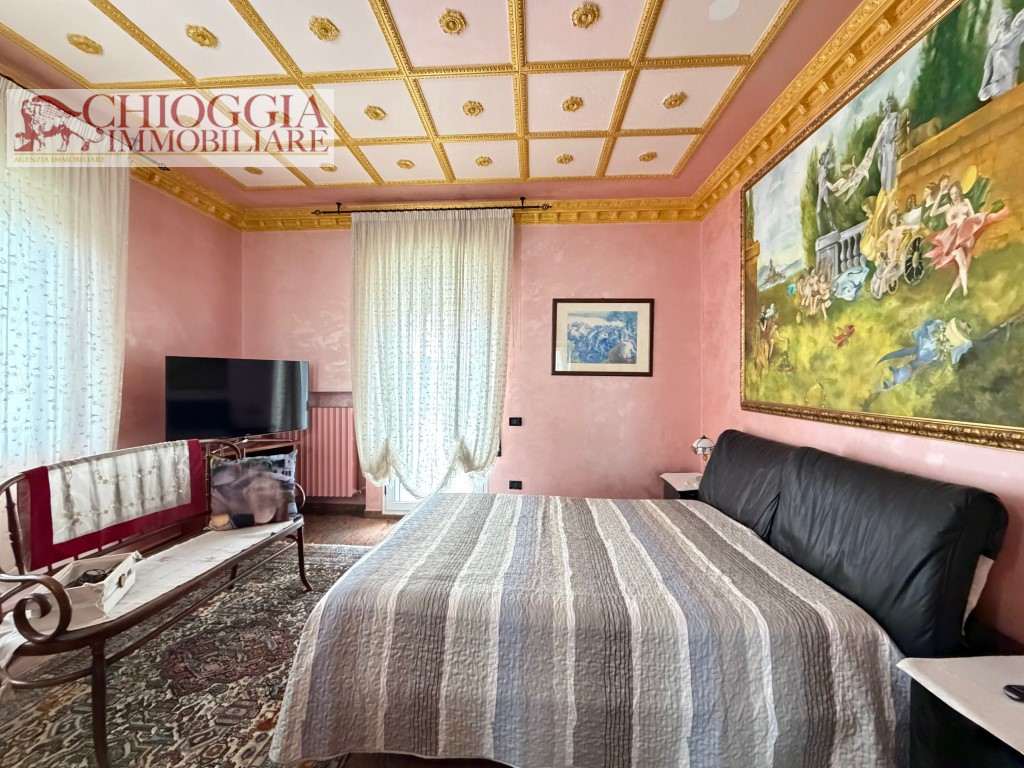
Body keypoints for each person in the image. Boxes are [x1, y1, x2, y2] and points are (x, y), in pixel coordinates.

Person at [926, 180, 1010, 301]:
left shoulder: (966, 202)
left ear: (960, 192)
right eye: (951, 194)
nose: (954, 196)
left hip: (966, 237)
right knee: (962, 264)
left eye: (956, 193)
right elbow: (932, 213)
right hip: (953, 240)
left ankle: (955, 293)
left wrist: (972, 233)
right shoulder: (948, 207)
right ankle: (962, 291)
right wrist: (940, 193)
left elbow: (973, 217)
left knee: (964, 265)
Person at [979, 8, 1024, 101]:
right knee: (992, 91)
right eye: (1002, 21)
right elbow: (987, 69)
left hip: (1009, 80)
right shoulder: (993, 49)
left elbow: (1020, 19)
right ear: (999, 25)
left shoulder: (1015, 35)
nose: (1004, 23)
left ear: (1010, 22)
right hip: (996, 85)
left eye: (1007, 20)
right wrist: (982, 88)